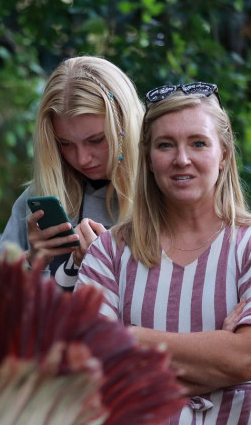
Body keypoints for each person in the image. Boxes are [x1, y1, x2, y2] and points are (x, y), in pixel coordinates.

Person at [76, 82, 251, 423]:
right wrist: (221, 355)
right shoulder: (109, 253)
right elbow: (89, 368)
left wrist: (128, 338)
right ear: (149, 159)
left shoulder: (247, 246)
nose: (181, 159)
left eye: (198, 143)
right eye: (165, 145)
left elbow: (246, 356)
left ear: (224, 154)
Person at [0, 56, 144, 290]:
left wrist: (102, 264)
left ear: (125, 127)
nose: (82, 158)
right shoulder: (38, 198)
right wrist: (33, 260)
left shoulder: (161, 193)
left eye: (95, 140)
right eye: (65, 143)